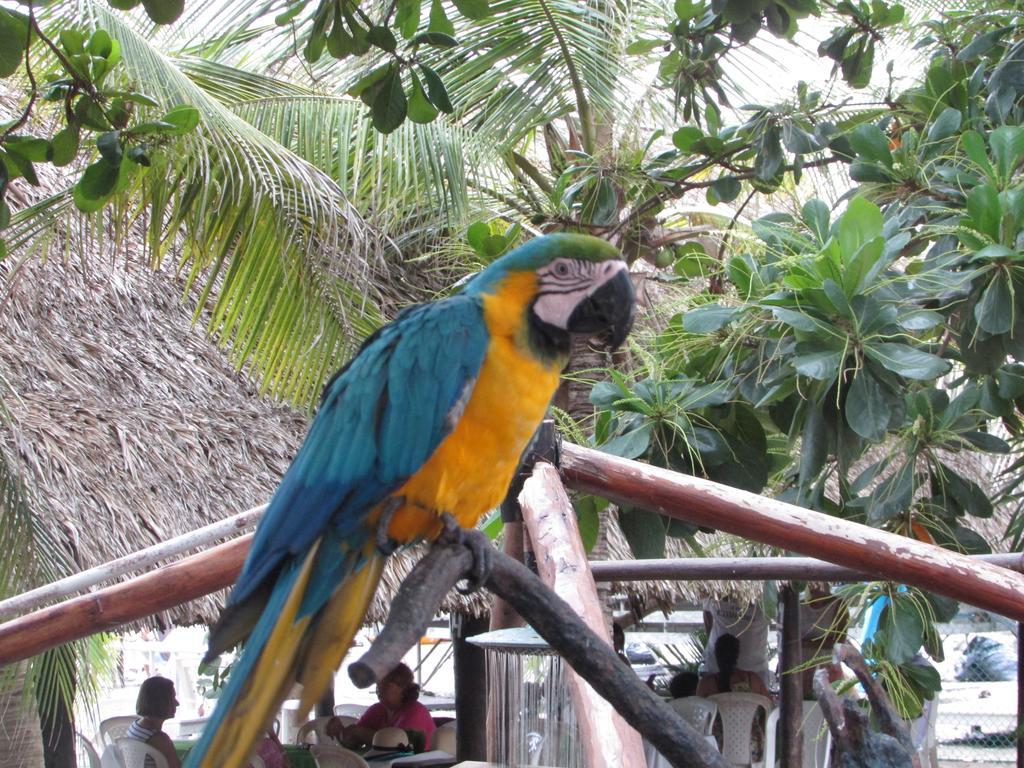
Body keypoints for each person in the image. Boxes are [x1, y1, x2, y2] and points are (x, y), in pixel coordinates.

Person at [326, 663, 435, 751]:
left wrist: (361, 733)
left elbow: (398, 746)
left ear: (404, 688)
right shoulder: (378, 710)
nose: (380, 689)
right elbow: (352, 741)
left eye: (387, 685)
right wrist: (340, 731)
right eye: (379, 684)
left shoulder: (415, 712)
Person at [702, 597, 770, 687]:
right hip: (716, 667)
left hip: (754, 668)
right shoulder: (716, 590)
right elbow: (706, 612)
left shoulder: (766, 593)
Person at [799, 582, 850, 697]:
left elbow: (839, 642)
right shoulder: (799, 604)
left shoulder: (838, 605)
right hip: (801, 666)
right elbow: (790, 639)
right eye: (811, 586)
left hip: (827, 666)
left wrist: (805, 642)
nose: (815, 588)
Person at [124, 676, 182, 768]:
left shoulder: (135, 726)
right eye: (172, 698)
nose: (177, 703)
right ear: (160, 702)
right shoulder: (160, 740)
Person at [696, 634, 771, 697]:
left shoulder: (706, 685)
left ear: (716, 655)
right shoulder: (753, 680)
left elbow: (699, 710)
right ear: (737, 656)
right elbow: (769, 706)